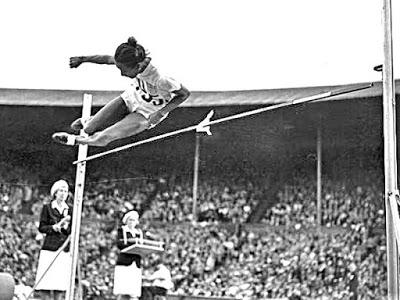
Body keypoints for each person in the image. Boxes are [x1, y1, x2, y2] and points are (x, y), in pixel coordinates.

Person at [52, 36, 191, 147]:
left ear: (137, 67)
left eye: (123, 70)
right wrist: (83, 59)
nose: (121, 74)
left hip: (146, 113)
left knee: (102, 139)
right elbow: (106, 59)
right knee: (88, 128)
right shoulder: (133, 57)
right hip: (129, 98)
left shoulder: (161, 79)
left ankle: (74, 140)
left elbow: (184, 94)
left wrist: (161, 112)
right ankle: (88, 122)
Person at [34, 180, 73, 300]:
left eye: (65, 191)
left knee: (59, 284)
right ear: (55, 193)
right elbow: (42, 227)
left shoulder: (70, 209)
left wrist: (66, 227)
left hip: (63, 250)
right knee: (46, 282)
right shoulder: (48, 208)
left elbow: (72, 229)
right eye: (61, 191)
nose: (63, 194)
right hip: (50, 249)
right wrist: (53, 228)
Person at [114, 210, 144, 300]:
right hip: (125, 262)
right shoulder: (122, 230)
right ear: (126, 221)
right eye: (130, 220)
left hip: (135, 263)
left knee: (133, 292)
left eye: (134, 220)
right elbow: (119, 244)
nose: (132, 222)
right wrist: (131, 245)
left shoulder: (139, 232)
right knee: (123, 290)